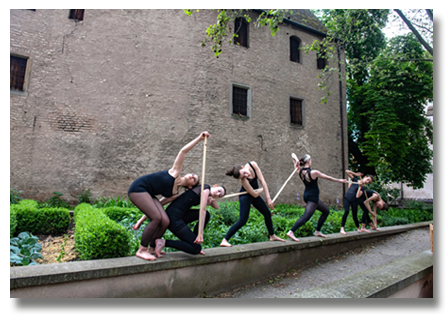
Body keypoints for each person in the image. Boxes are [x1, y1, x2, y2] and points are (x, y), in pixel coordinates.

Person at [127, 131, 209, 260]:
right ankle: (142, 250)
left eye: (194, 179)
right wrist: (199, 138)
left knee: (165, 220)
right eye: (192, 174)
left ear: (190, 186)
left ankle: (152, 247)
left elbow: (158, 204)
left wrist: (141, 220)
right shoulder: (175, 171)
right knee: (156, 218)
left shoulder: (174, 194)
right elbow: (183, 151)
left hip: (149, 194)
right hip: (138, 188)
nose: (192, 176)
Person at [220, 161, 285, 247]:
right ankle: (224, 240)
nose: (246, 175)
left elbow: (263, 181)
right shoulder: (243, 180)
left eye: (244, 173)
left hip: (254, 194)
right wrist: (262, 190)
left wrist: (269, 199)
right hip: (245, 196)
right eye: (243, 176)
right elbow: (254, 194)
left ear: (243, 167)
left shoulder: (253, 165)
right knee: (243, 220)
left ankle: (272, 235)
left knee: (267, 213)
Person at [149, 184, 226, 256]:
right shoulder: (206, 188)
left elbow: (217, 207)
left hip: (179, 215)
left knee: (207, 215)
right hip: (173, 218)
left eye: (220, 195)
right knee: (196, 249)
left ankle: (195, 241)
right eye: (218, 190)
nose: (217, 194)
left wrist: (212, 199)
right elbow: (202, 210)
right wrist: (200, 233)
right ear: (215, 186)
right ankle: (163, 242)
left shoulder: (207, 194)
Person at [287, 154, 347, 242]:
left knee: (326, 211)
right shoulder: (314, 172)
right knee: (306, 217)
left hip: (307, 195)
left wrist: (296, 161)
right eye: (311, 160)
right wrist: (339, 180)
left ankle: (317, 231)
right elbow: (328, 177)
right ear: (308, 161)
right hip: (313, 197)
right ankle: (291, 231)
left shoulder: (299, 171)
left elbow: (292, 154)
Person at [340, 170, 374, 235]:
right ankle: (342, 228)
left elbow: (357, 196)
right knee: (346, 211)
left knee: (354, 214)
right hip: (347, 197)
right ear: (365, 177)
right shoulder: (355, 180)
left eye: (368, 182)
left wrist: (360, 187)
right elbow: (347, 171)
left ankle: (358, 227)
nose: (367, 182)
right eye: (367, 179)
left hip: (354, 200)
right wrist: (356, 174)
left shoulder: (362, 188)